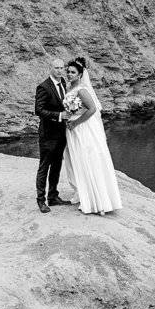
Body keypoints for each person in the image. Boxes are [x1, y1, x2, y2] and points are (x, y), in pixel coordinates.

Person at [61, 57, 122, 215]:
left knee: (87, 160)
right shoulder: (69, 87)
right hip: (72, 129)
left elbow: (92, 109)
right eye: (68, 71)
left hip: (82, 129)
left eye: (73, 72)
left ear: (80, 75)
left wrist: (75, 122)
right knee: (76, 161)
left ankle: (97, 201)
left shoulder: (82, 89)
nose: (69, 74)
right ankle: (83, 193)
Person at [33, 57, 74, 213]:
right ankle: (41, 200)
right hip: (48, 134)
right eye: (56, 68)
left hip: (61, 133)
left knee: (57, 165)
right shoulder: (43, 87)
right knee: (44, 167)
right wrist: (59, 115)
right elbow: (39, 110)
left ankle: (53, 196)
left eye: (61, 68)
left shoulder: (63, 82)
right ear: (50, 68)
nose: (59, 70)